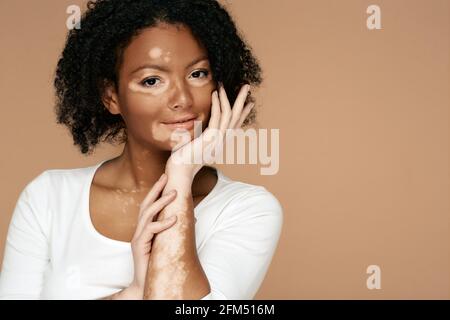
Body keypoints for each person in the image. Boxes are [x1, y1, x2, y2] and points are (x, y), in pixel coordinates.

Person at [0, 0, 283, 300]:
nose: (183, 99)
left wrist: (181, 173)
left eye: (198, 74)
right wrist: (135, 291)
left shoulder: (248, 210)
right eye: (152, 80)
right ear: (111, 97)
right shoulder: (48, 198)